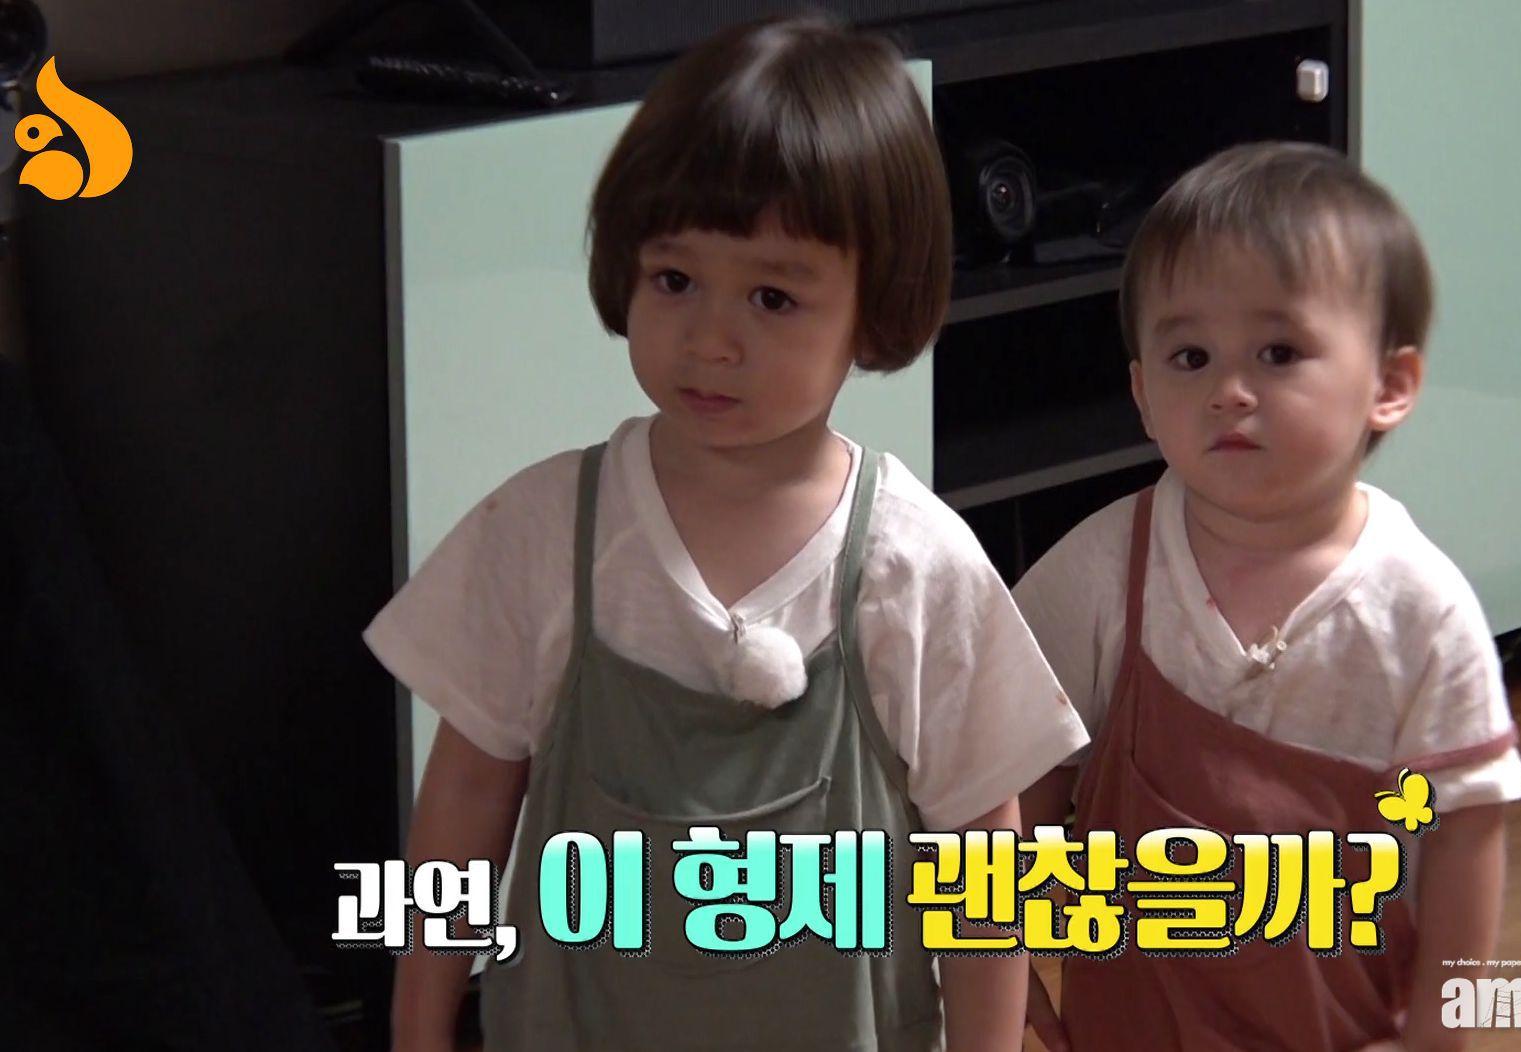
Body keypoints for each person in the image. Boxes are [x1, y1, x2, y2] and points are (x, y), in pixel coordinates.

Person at [365, 14, 1088, 1052]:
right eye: (674, 280)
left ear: (873, 307)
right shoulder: (542, 532)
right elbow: (466, 795)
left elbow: (986, 856)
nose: (710, 338)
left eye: (772, 296)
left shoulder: (912, 563)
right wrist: (418, 1024)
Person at [1013, 141, 1521, 1051]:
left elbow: (1465, 835)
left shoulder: (1419, 613)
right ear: (1141, 392)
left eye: (1278, 351)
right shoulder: (1101, 573)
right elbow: (1008, 789)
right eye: (1189, 355)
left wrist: (1438, 1036)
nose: (1228, 391)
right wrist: (1008, 985)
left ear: (1389, 385)